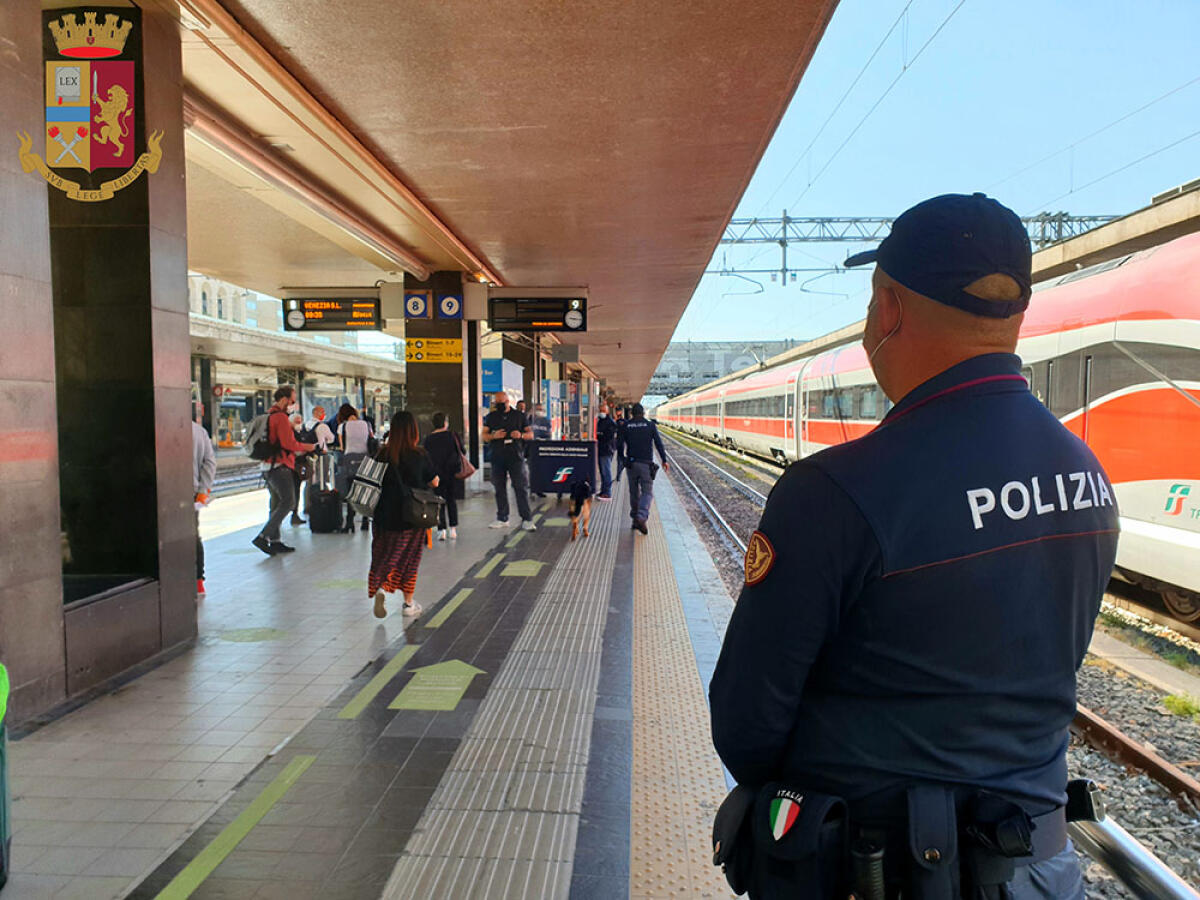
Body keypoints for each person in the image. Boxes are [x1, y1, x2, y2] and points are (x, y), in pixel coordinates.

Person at [708, 194, 1120, 899]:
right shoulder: (1085, 476)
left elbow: (746, 725)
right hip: (1039, 867)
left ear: (888, 308)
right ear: (1015, 314)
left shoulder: (834, 491)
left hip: (878, 873)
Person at [369, 410, 437, 619]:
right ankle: (408, 604)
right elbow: (434, 481)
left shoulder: (382, 454)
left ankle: (380, 586)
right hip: (411, 515)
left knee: (384, 553)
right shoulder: (420, 454)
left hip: (383, 515)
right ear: (413, 431)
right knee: (409, 558)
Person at [252, 386, 315, 555]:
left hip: (267, 466)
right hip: (280, 466)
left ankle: (275, 540)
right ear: (284, 399)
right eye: (292, 400)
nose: (292, 404)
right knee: (288, 502)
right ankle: (263, 536)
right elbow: (289, 444)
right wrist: (308, 447)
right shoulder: (280, 417)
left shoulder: (268, 415)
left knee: (275, 503)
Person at [482, 391, 537, 531]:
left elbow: (531, 434)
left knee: (520, 487)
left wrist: (521, 435)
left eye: (503, 402)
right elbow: (484, 435)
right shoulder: (491, 417)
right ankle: (502, 517)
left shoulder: (519, 416)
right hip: (497, 457)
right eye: (497, 403)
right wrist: (494, 436)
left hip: (515, 457)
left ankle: (527, 519)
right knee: (499, 488)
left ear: (508, 401)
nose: (500, 405)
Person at [617, 403, 668, 534]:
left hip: (631, 464)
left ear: (632, 413)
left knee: (634, 492)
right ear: (643, 413)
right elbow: (658, 443)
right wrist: (664, 460)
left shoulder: (626, 426)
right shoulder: (650, 425)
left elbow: (619, 444)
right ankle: (641, 516)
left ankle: (635, 520)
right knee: (647, 492)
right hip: (646, 464)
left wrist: (622, 459)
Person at [423, 412, 463, 541]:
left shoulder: (428, 439)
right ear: (445, 422)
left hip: (436, 475)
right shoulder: (453, 435)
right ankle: (453, 529)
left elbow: (426, 458)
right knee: (451, 500)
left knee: (439, 501)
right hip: (452, 473)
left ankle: (441, 530)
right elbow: (462, 451)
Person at [192, 402, 216, 596]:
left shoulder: (160, 428)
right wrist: (203, 489)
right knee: (193, 536)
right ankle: (198, 581)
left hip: (164, 493)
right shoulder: (199, 432)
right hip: (192, 494)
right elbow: (209, 462)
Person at [337, 404, 373, 533]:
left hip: (349, 461)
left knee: (351, 492)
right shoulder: (366, 424)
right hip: (365, 460)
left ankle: (350, 522)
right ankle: (365, 521)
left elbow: (342, 447)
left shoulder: (342, 426)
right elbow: (371, 440)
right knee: (363, 490)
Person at [595, 403, 617, 500]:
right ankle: (603, 491)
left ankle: (607, 493)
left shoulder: (610, 422)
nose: (601, 412)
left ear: (607, 411)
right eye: (600, 410)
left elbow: (608, 436)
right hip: (601, 450)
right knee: (603, 472)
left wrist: (599, 435)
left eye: (603, 410)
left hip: (606, 450)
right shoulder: (600, 421)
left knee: (606, 471)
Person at [288, 413, 308, 526]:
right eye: (296, 421)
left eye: (300, 421)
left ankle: (294, 514)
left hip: (296, 466)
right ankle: (292, 514)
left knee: (296, 490)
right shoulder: (291, 434)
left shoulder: (299, 432)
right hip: (292, 465)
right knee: (292, 491)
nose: (299, 423)